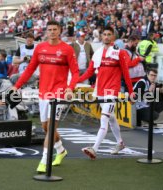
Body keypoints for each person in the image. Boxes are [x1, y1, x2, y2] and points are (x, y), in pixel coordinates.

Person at [11, 20, 79, 173]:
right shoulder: (40, 48)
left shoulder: (67, 49)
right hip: (43, 92)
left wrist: (70, 88)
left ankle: (44, 160)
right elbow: (29, 70)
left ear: (60, 31)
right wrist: (16, 86)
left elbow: (75, 72)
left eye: (55, 29)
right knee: (45, 127)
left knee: (51, 127)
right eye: (50, 29)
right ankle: (61, 150)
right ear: (46, 31)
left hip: (59, 93)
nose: (52, 32)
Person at [79, 26, 134, 159]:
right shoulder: (97, 52)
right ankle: (120, 143)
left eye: (109, 34)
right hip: (100, 90)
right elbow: (89, 71)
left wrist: (131, 91)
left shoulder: (120, 53)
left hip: (112, 91)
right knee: (111, 118)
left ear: (113, 37)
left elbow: (126, 73)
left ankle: (94, 148)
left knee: (104, 119)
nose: (107, 37)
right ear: (101, 36)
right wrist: (74, 81)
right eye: (104, 34)